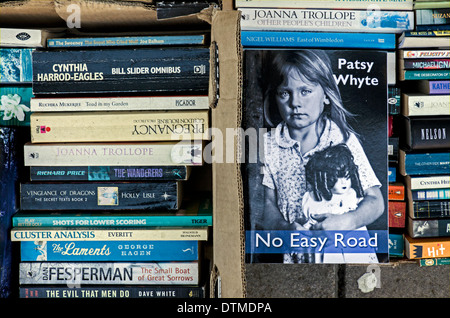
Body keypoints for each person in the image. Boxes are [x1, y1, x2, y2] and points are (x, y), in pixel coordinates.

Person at [260, 49, 384, 263]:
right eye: (285, 93)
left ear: (326, 95)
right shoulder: (268, 144)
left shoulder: (343, 139)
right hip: (299, 257)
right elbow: (266, 204)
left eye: (305, 91)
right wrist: (283, 229)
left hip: (347, 252)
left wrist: (348, 221)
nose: (295, 103)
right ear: (275, 97)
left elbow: (376, 201)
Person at [302, 143, 379, 263]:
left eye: (347, 177)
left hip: (353, 242)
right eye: (338, 178)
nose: (344, 183)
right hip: (328, 246)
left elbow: (369, 208)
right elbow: (310, 222)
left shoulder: (352, 195)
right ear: (325, 178)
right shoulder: (314, 200)